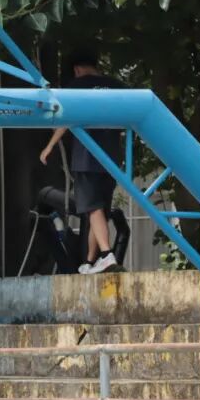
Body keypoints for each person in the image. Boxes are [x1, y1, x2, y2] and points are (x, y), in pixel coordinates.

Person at [39, 46, 127, 274]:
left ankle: (107, 254)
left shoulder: (76, 86)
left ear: (77, 69)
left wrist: (50, 146)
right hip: (112, 157)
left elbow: (67, 118)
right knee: (99, 210)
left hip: (87, 157)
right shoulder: (117, 86)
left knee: (92, 207)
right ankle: (90, 261)